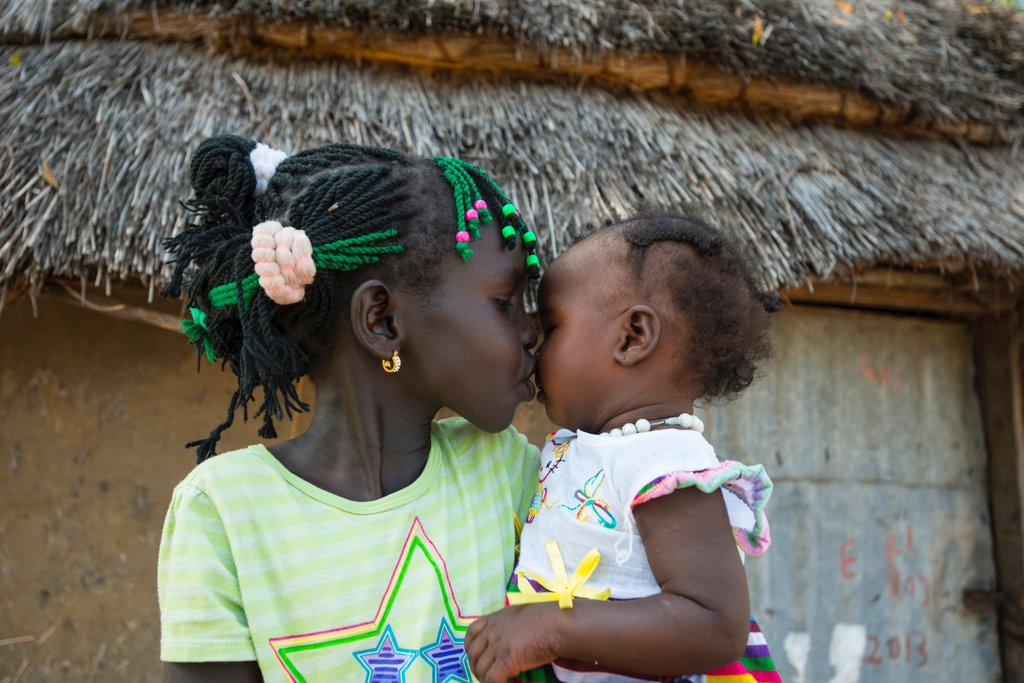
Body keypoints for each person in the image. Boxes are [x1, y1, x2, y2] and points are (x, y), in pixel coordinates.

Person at [157, 134, 544, 682]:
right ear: (381, 321)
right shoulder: (225, 512)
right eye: (505, 303)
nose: (531, 331)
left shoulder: (509, 471)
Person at [465, 214, 782, 683]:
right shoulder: (593, 448)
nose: (532, 341)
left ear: (633, 336)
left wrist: (552, 627)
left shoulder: (664, 462)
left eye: (552, 327)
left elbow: (715, 625)